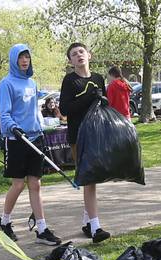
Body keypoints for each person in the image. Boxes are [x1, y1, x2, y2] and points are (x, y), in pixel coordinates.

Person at [0, 43, 61, 245]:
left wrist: (40, 127)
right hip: (17, 140)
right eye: (21, 57)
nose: (25, 60)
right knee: (18, 183)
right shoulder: (6, 84)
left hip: (35, 137)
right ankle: (4, 221)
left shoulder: (32, 83)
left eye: (27, 57)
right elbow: (4, 114)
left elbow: (33, 111)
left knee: (35, 183)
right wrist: (14, 128)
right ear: (14, 59)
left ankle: (42, 229)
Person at [59, 42, 111, 243]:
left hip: (96, 134)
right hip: (78, 135)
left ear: (89, 55)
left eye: (81, 52)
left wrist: (103, 101)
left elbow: (103, 104)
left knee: (93, 179)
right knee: (89, 179)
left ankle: (87, 221)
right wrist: (89, 97)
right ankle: (96, 228)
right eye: (74, 54)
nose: (78, 55)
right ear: (70, 61)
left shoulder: (98, 78)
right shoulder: (70, 81)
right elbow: (65, 109)